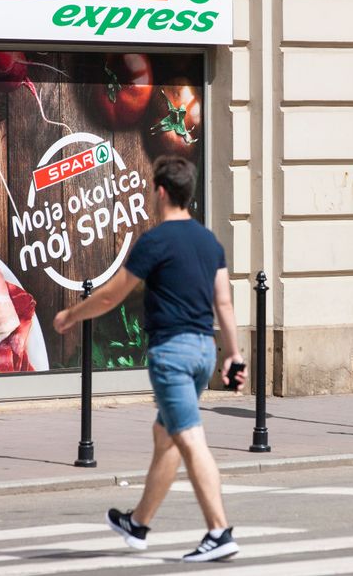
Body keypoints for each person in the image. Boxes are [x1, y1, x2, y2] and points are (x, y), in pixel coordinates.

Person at [53, 155, 247, 563]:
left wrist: (71, 314)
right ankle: (138, 524)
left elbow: (111, 295)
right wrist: (233, 354)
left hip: (172, 354)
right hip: (202, 352)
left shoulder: (155, 241)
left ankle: (219, 530)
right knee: (167, 437)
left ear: (160, 191)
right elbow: (224, 303)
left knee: (190, 438)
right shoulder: (209, 241)